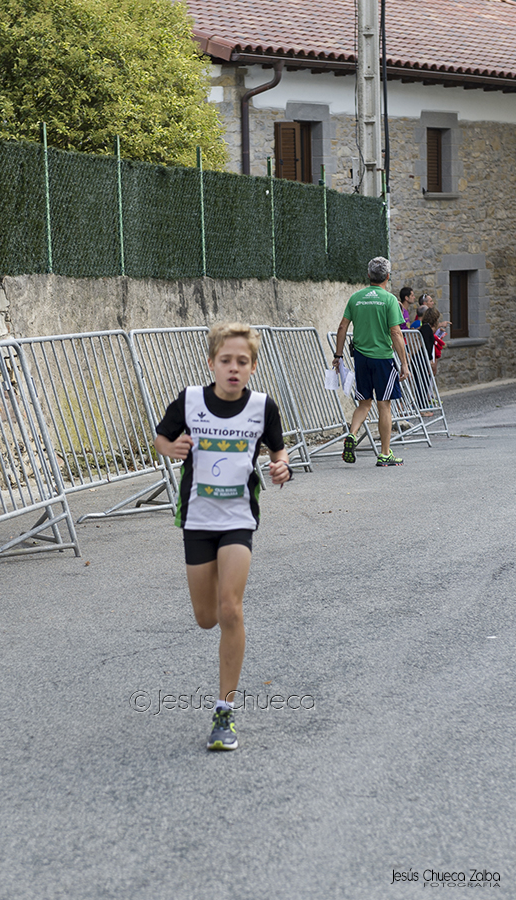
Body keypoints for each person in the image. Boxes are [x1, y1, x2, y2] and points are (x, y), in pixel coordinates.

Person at [153, 322, 292, 751]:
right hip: (197, 519)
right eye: (226, 360)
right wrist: (170, 448)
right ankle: (214, 609)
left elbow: (278, 450)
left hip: (237, 518)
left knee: (230, 609)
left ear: (253, 367)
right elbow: (161, 438)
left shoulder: (263, 407)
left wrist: (281, 466)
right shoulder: (191, 401)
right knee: (206, 617)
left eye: (242, 361)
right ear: (211, 363)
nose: (234, 368)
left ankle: (224, 711)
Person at [333, 256, 409, 467]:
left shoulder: (356, 298)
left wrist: (338, 356)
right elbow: (396, 332)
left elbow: (342, 327)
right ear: (387, 276)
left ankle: (352, 434)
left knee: (364, 403)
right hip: (382, 358)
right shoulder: (389, 300)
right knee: (384, 405)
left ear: (368, 275)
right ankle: (384, 454)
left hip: (361, 358)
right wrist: (404, 363)